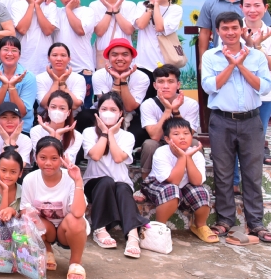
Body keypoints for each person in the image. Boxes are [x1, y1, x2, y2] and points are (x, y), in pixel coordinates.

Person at [202, 11, 271, 243]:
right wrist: (230, 65)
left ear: (242, 30)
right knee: (223, 173)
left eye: (235, 27)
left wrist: (241, 65)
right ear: (217, 31)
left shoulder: (256, 56)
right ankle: (225, 220)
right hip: (221, 120)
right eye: (225, 28)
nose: (230, 32)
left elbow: (265, 87)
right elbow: (209, 86)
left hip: (251, 121)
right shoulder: (210, 56)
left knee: (252, 174)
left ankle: (256, 224)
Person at [81, 91, 148, 257]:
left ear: (120, 113)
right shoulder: (89, 132)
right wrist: (104, 133)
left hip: (120, 183)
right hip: (94, 184)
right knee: (106, 181)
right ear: (98, 112)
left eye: (113, 109)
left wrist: (111, 133)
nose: (108, 113)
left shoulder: (127, 136)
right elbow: (96, 155)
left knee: (123, 188)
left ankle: (132, 235)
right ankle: (100, 229)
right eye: (104, 109)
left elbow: (118, 158)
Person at [21, 137, 88, 279]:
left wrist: (78, 180)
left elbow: (78, 212)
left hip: (67, 231)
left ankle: (76, 262)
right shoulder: (30, 179)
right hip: (45, 229)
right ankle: (46, 251)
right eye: (43, 158)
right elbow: (24, 209)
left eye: (54, 158)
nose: (48, 163)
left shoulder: (70, 178)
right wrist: (31, 215)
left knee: (75, 220)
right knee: (29, 221)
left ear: (62, 159)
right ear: (35, 157)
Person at [141, 118, 217, 244]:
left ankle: (200, 225)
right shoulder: (161, 152)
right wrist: (182, 157)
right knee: (172, 190)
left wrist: (189, 157)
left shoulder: (196, 154)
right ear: (167, 139)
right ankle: (159, 227)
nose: (182, 137)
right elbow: (173, 181)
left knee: (202, 192)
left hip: (185, 187)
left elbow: (197, 182)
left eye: (186, 133)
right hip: (160, 185)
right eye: (176, 134)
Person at [138, 64, 200, 179]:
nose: (166, 86)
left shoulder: (191, 104)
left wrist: (175, 111)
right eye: (161, 82)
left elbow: (189, 134)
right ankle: (146, 182)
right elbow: (155, 136)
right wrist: (168, 110)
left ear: (178, 85)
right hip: (160, 142)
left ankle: (194, 180)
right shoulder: (148, 104)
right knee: (149, 144)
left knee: (194, 143)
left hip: (181, 141)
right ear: (155, 85)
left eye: (170, 81)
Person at [241, 0, 271, 166]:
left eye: (257, 5)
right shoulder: (232, 30)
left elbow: (270, 65)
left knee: (258, 134)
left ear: (265, 8)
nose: (252, 10)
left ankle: (253, 174)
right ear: (241, 7)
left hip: (263, 94)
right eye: (248, 5)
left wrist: (256, 46)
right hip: (237, 92)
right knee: (235, 135)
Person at [85, 38, 150, 144]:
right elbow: (109, 105)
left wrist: (123, 80)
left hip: (128, 113)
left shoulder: (142, 77)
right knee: (84, 117)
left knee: (139, 131)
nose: (120, 58)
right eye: (114, 55)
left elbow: (129, 107)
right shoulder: (99, 75)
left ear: (132, 58)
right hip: (103, 111)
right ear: (108, 58)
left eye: (125, 54)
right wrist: (116, 80)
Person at [54, 0, 96, 103]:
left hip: (83, 69)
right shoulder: (56, 12)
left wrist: (68, 9)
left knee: (83, 108)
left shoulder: (88, 12)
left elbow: (80, 30)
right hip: (60, 70)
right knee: (61, 106)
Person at [0, 36, 35, 133]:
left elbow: (22, 112)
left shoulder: (28, 76)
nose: (9, 53)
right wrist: (4, 85)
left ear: (19, 55)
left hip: (21, 124)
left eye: (14, 50)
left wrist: (12, 87)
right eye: (5, 49)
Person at [133, 0, 183, 74]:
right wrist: (151, 4)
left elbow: (159, 27)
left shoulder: (176, 9)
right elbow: (141, 25)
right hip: (143, 64)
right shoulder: (141, 5)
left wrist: (156, 4)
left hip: (166, 64)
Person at [12, 0, 57, 75]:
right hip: (23, 58)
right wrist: (32, 4)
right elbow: (22, 30)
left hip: (44, 60)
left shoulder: (50, 6)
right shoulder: (16, 6)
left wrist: (37, 6)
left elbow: (48, 31)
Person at [89, 0, 136, 72]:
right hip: (103, 54)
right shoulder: (94, 5)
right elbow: (99, 32)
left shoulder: (129, 5)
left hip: (125, 55)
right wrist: (109, 10)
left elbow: (129, 30)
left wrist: (116, 11)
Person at [31, 91, 82, 163]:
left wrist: (57, 136)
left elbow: (66, 162)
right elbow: (39, 159)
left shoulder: (77, 136)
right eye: (53, 107)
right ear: (48, 109)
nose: (57, 111)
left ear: (69, 112)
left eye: (62, 108)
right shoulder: (36, 131)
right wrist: (52, 134)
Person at [0, 102, 33, 176]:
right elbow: (0, 166)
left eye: (14, 117)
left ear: (20, 120)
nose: (9, 121)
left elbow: (18, 166)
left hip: (17, 178)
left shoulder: (26, 140)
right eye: (4, 117)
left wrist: (12, 141)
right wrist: (7, 141)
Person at [35, 43, 85, 114]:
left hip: (73, 117)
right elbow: (44, 105)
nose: (59, 59)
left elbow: (75, 106)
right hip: (46, 117)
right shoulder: (39, 78)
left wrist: (62, 83)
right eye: (54, 55)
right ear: (48, 58)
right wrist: (55, 82)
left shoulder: (79, 78)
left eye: (63, 55)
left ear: (69, 59)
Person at [0, 148, 23, 219]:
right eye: (3, 170)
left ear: (20, 173)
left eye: (13, 172)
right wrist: (5, 190)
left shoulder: (23, 191)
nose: (7, 175)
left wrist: (13, 212)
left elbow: (24, 218)